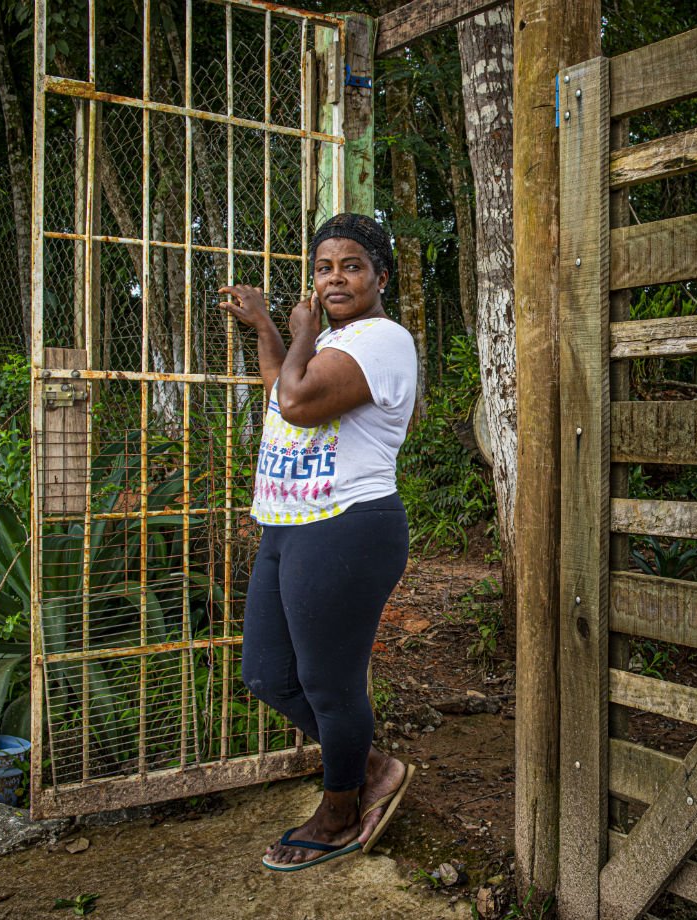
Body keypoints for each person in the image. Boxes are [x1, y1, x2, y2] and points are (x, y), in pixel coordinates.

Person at [217, 212, 416, 871]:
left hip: (347, 528)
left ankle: (338, 812)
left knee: (329, 685)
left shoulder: (382, 340)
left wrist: (299, 328)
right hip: (290, 528)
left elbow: (298, 402)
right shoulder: (332, 342)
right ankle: (373, 767)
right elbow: (283, 392)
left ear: (379, 276)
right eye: (325, 266)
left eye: (351, 265)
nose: (336, 277)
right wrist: (272, 328)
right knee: (268, 674)